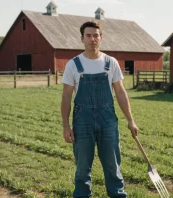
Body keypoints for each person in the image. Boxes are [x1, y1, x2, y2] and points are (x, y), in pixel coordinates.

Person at [61, 20, 139, 198]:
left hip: (107, 120)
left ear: (101, 38)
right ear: (82, 38)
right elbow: (66, 97)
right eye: (88, 35)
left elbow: (120, 92)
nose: (92, 39)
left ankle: (118, 194)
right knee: (82, 167)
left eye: (96, 35)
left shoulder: (110, 63)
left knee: (112, 164)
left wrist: (130, 120)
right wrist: (66, 126)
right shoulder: (73, 65)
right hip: (82, 121)